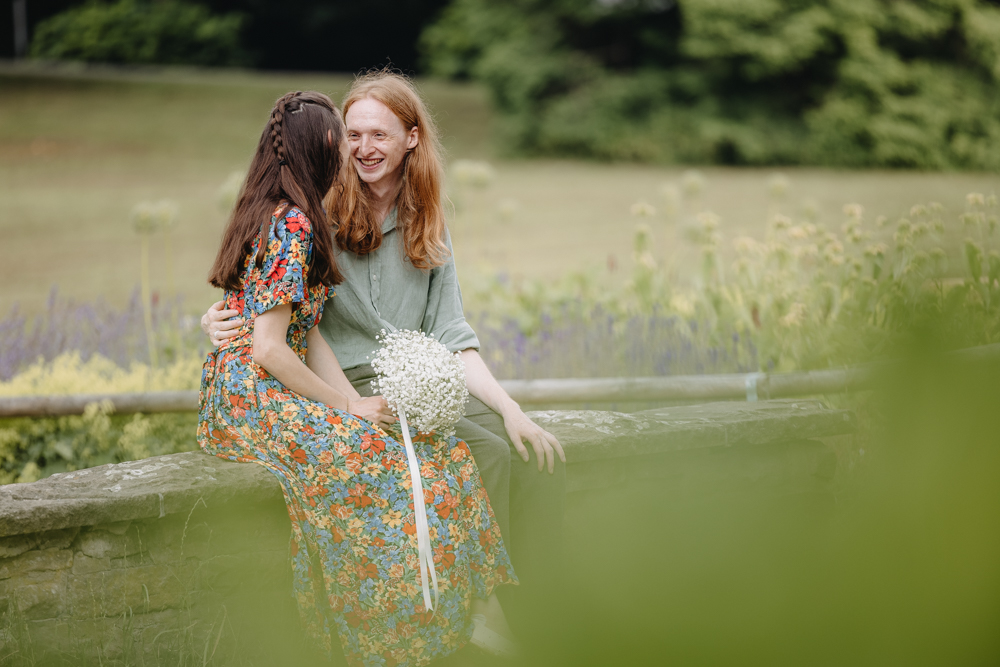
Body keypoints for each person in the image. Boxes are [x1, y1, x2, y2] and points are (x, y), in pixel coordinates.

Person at [203, 71, 567, 638]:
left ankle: (513, 605)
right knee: (478, 456)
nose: (363, 149)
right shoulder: (315, 210)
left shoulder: (429, 219)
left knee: (516, 449)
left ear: (412, 139)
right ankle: (470, 610)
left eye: (379, 135)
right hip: (341, 384)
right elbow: (271, 297)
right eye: (352, 135)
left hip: (417, 382)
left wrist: (511, 408)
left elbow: (453, 336)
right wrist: (222, 317)